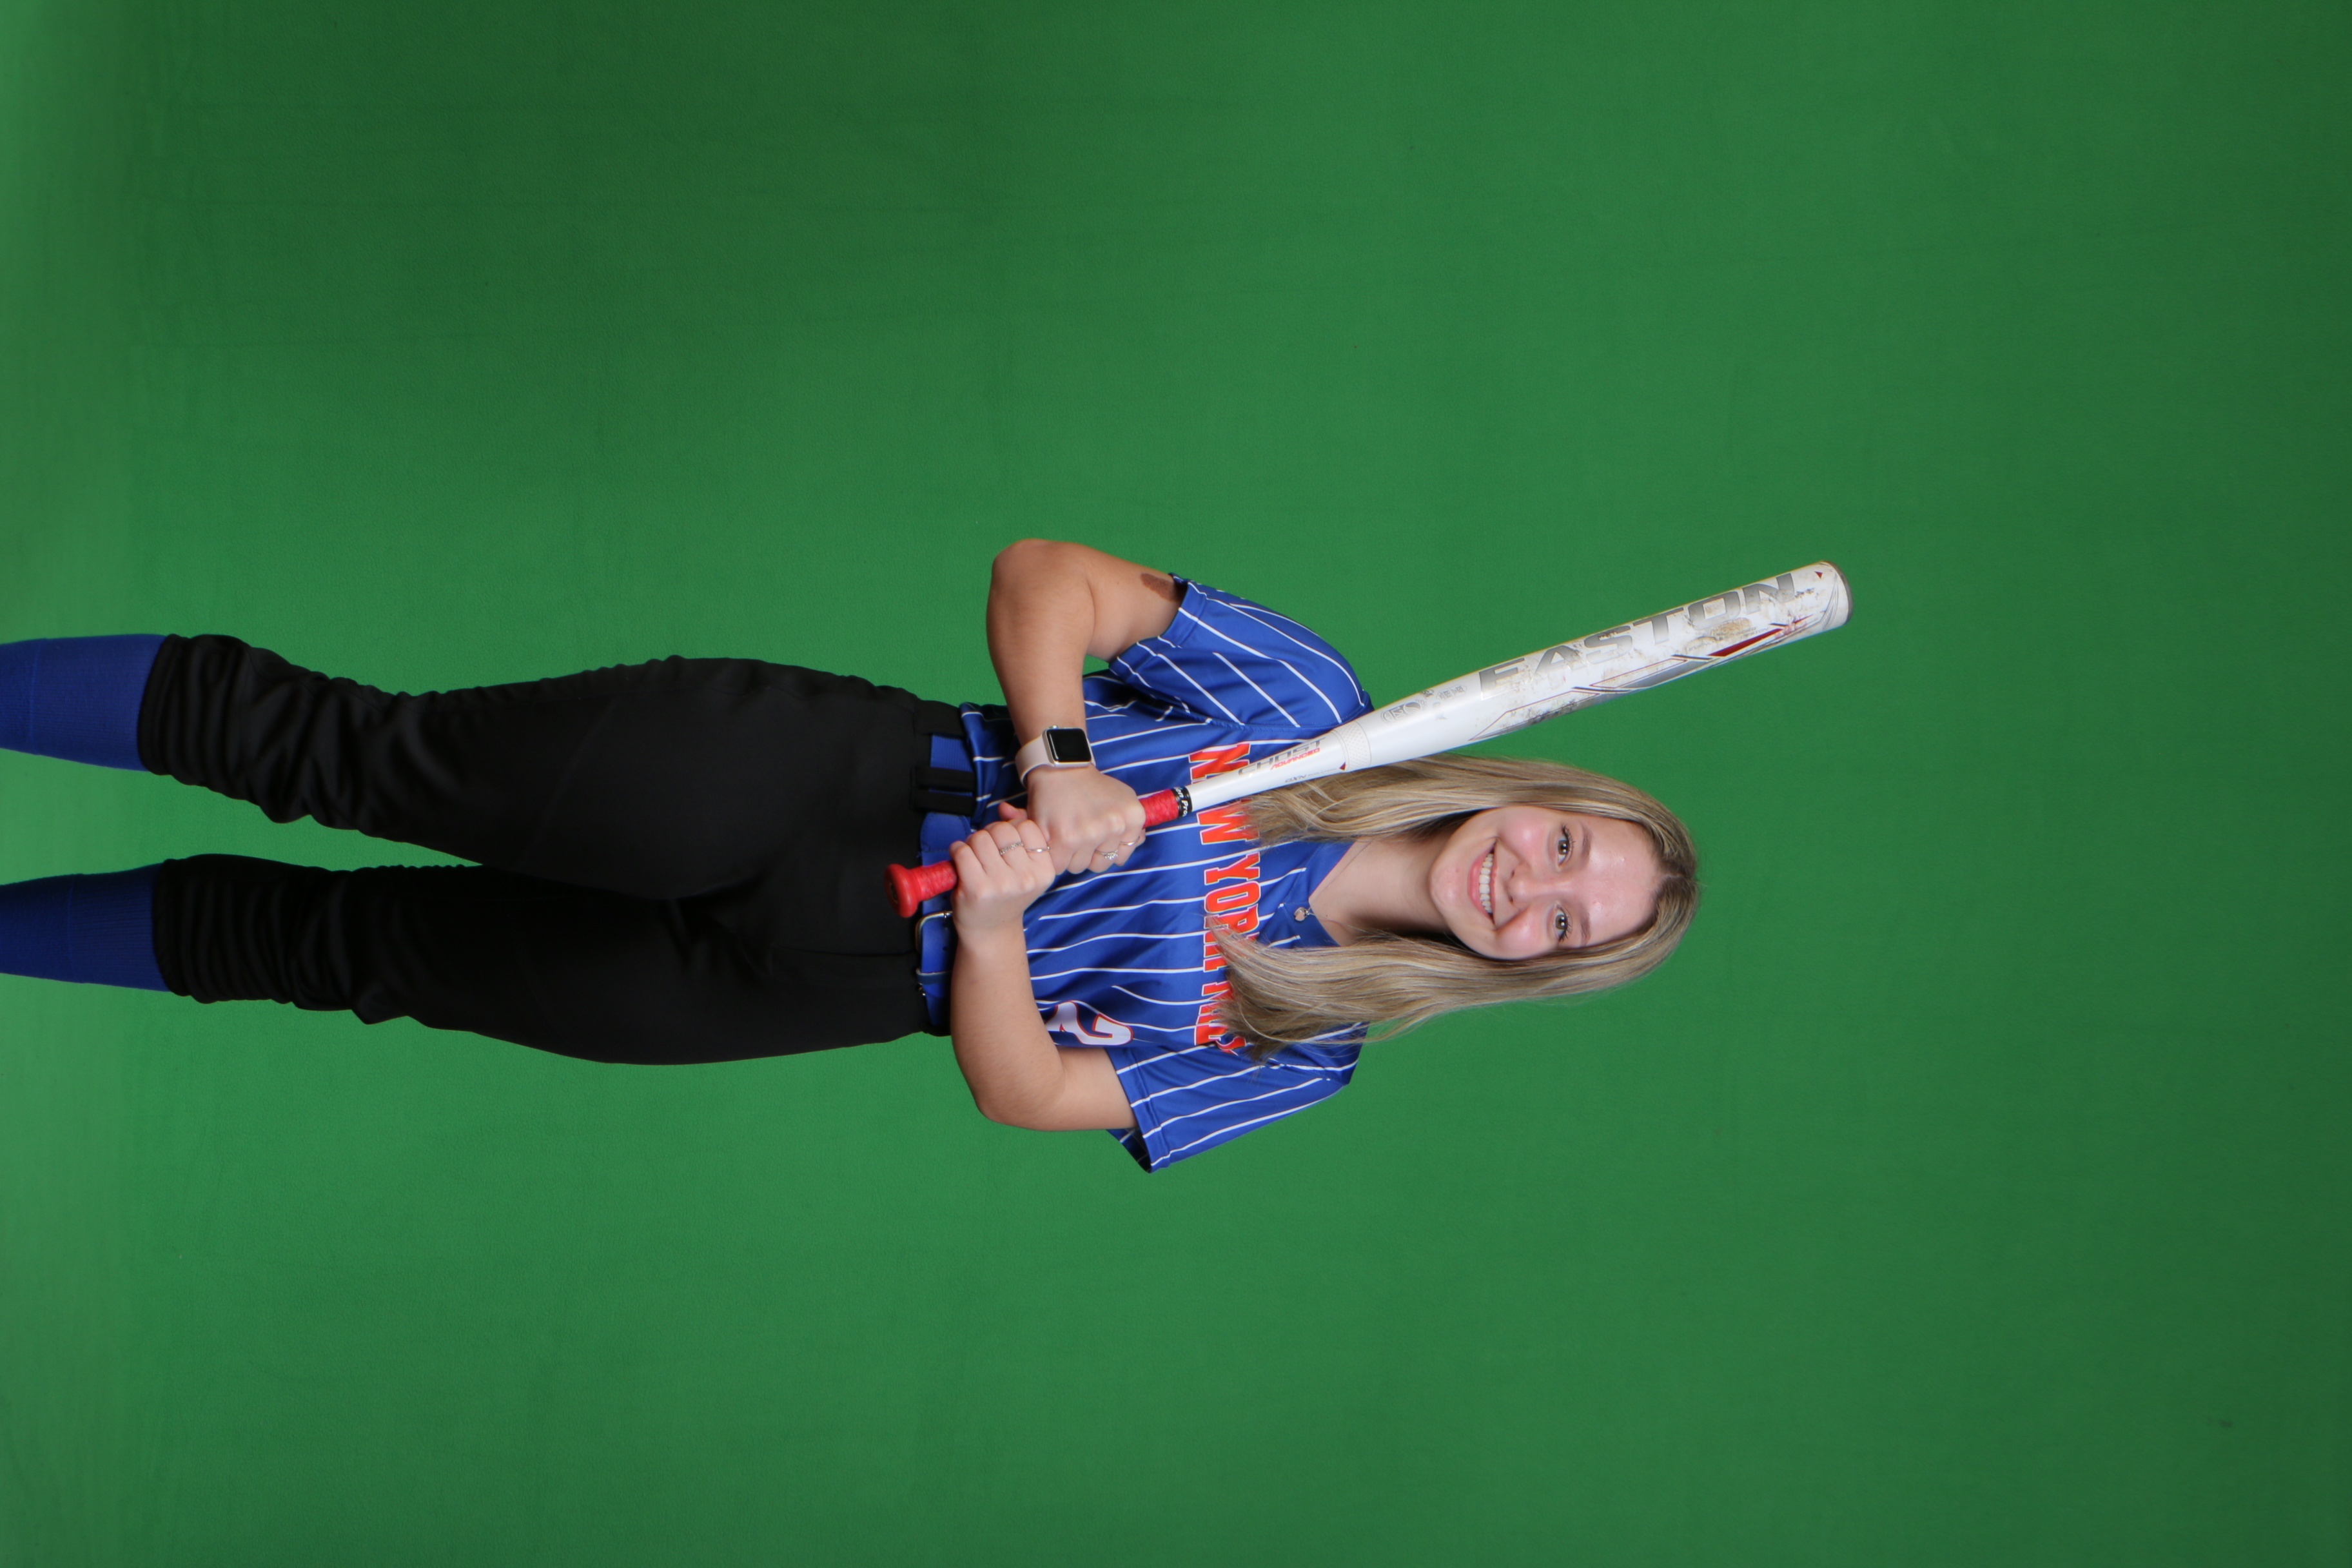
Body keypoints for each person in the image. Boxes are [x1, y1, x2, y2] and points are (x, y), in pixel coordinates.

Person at [0, 541, 1696, 1170]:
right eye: (1565, 846)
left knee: (337, 955)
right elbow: (1045, 578)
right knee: (349, 757)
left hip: (819, 979)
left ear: (1535, 969)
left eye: (1567, 923)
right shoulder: (1311, 706)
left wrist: (1000, 932)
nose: (1531, 887)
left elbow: (1028, 1092)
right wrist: (1060, 759)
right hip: (821, 783)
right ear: (1533, 790)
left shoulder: (1311, 1046)